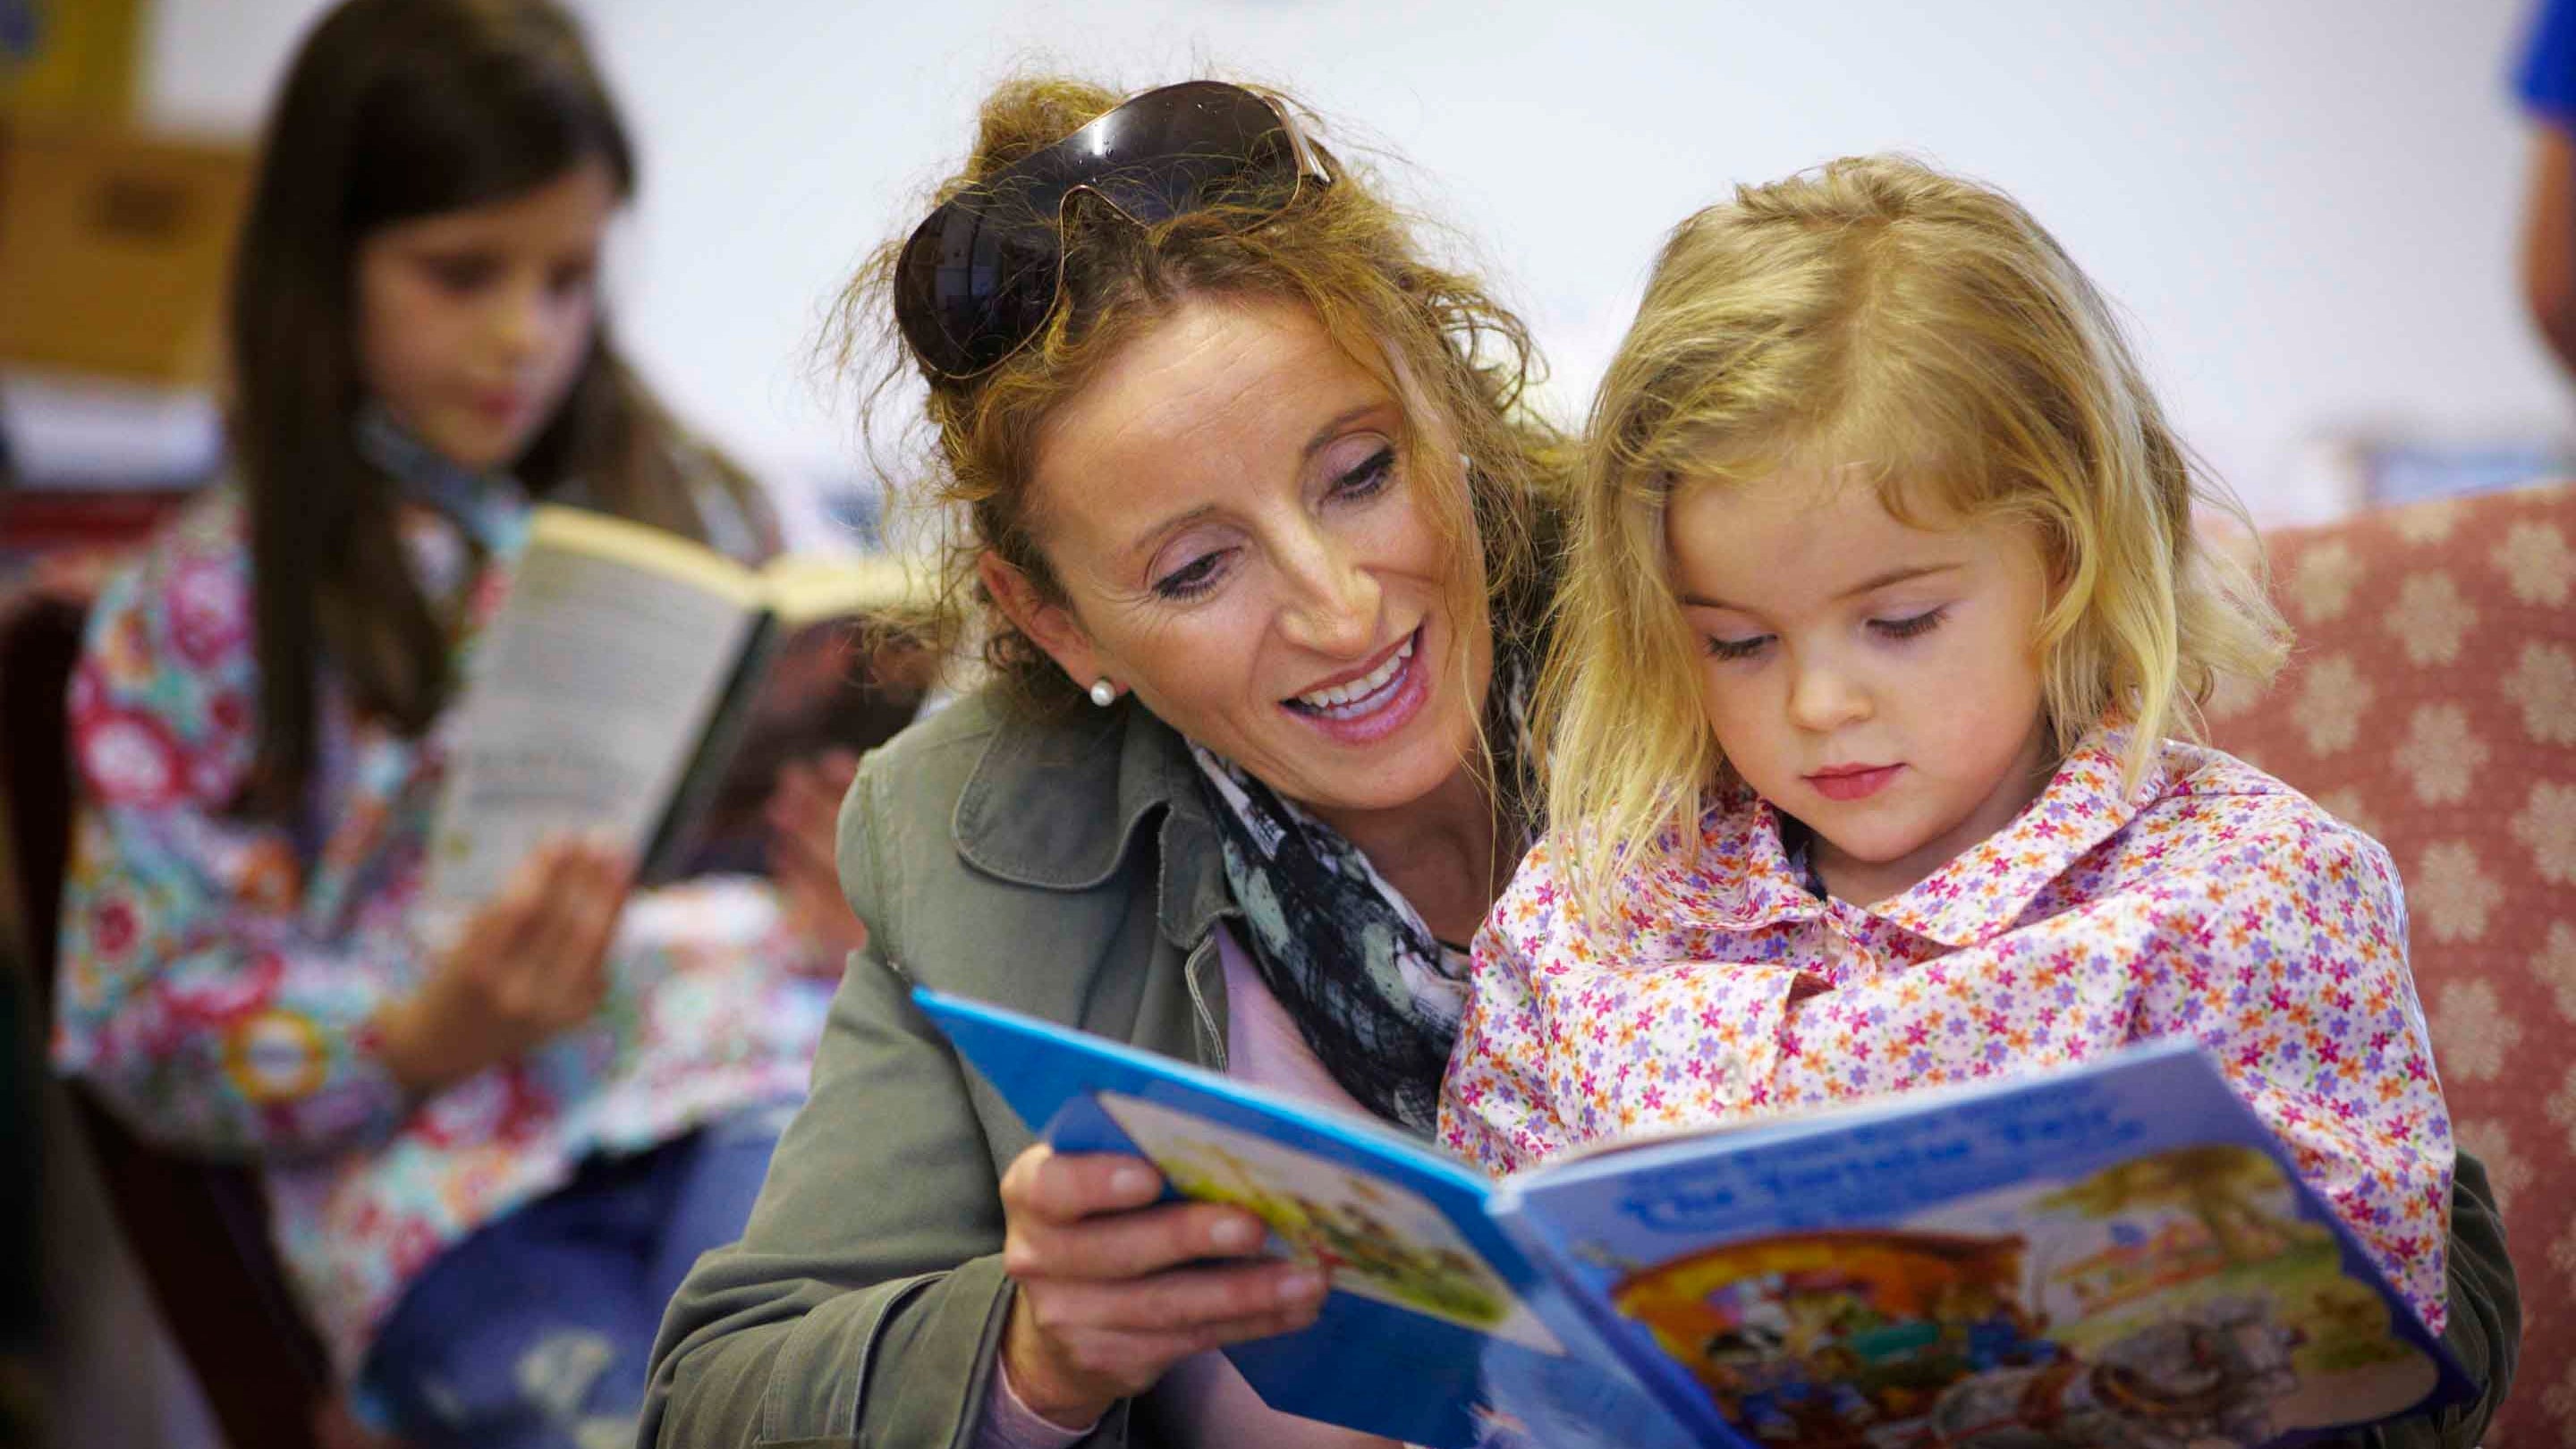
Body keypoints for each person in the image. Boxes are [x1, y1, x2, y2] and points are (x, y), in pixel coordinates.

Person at [646, 84, 2517, 1449]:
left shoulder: (1723, 585)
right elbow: (722, 1400)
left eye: (1364, 474)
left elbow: (2412, 1275)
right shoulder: (977, 835)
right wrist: (1039, 1352)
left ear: (1447, 401)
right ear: (1056, 624)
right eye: (1196, 571)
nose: (1335, 607)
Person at [1437, 157, 2455, 1337]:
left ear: (2069, 559)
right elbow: (1491, 1327)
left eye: (1902, 624)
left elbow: (2367, 1321)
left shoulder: (2250, 895)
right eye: (1737, 643)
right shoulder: (1592, 917)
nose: (1820, 703)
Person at [49, 3, 856, 1445]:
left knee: (821, 1391)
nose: (521, 335)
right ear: (324, 262)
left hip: (737, 1081)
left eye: (566, 278)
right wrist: (417, 1032)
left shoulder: (705, 503)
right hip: (443, 1198)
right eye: (461, 272)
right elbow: (142, 1014)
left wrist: (858, 885)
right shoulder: (203, 615)